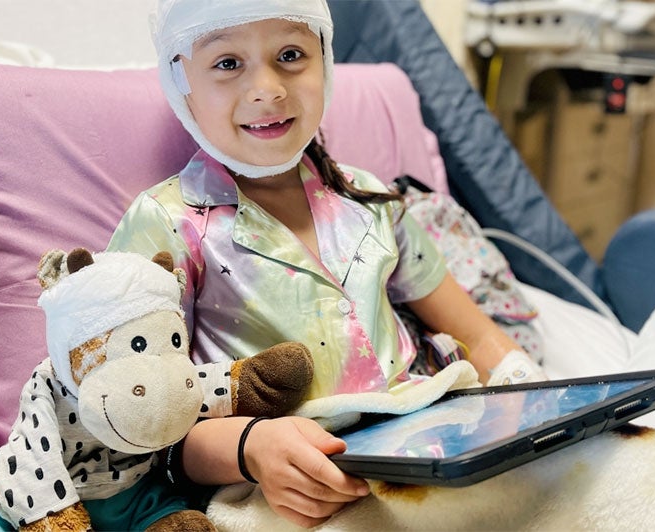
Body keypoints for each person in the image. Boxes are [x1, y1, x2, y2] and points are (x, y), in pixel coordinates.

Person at [106, 0, 547, 527]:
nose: (267, 87)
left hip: (430, 445)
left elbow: (480, 335)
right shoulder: (165, 225)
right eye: (227, 63)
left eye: (291, 54)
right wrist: (250, 447)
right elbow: (134, 420)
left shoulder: (371, 201)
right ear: (181, 82)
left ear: (325, 58)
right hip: (280, 488)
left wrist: (533, 390)